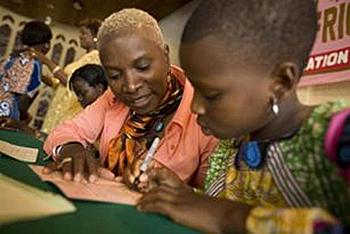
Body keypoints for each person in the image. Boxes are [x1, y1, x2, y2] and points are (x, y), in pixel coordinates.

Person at [137, 0, 350, 233]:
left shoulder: (337, 134)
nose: (195, 106)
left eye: (211, 94)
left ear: (281, 83)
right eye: (195, 89)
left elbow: (222, 213)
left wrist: (228, 217)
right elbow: (216, 206)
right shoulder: (229, 149)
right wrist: (183, 195)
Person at [43, 9, 218, 190]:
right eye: (114, 75)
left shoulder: (203, 114)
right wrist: (71, 149)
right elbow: (67, 130)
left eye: (142, 67)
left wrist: (179, 191)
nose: (130, 86)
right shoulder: (111, 99)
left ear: (165, 56)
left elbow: (215, 195)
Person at [0, 64, 108, 141]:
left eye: (83, 93)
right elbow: (58, 139)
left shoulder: (108, 119)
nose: (79, 99)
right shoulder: (84, 116)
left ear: (100, 88)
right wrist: (21, 126)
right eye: (77, 94)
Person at [41, 18, 102, 134]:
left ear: (96, 37)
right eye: (80, 33)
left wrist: (46, 61)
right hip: (60, 108)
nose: (80, 36)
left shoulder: (95, 58)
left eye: (84, 33)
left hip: (71, 110)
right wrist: (39, 75)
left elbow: (71, 82)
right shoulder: (82, 58)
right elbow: (58, 83)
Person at [0, 21, 65, 121]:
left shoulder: (12, 56)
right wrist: (25, 118)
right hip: (5, 120)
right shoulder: (34, 64)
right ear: (46, 44)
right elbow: (21, 104)